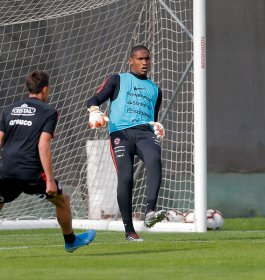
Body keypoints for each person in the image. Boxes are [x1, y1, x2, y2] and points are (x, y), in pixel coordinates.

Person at [0, 70, 96, 252]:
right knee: (62, 200)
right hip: (31, 172)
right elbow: (43, 144)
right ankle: (71, 241)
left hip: (7, 169)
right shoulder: (49, 111)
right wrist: (50, 180)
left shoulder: (9, 109)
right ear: (45, 89)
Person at [87, 45, 166, 242]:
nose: (145, 62)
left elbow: (153, 118)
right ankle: (129, 230)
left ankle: (150, 212)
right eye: (140, 59)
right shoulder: (117, 79)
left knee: (155, 158)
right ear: (131, 60)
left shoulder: (156, 90)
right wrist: (94, 110)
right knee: (126, 177)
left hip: (143, 133)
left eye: (147, 58)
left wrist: (156, 126)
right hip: (120, 134)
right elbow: (94, 98)